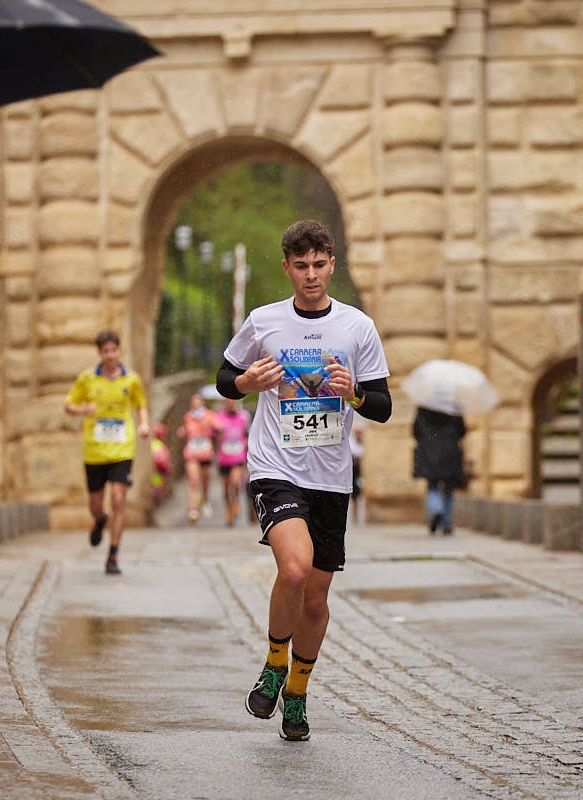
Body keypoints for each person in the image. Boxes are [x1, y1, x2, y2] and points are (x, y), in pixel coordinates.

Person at [216, 219, 391, 741]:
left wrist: (354, 391)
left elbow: (381, 405)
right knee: (292, 570)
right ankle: (274, 662)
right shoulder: (264, 321)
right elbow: (226, 378)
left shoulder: (357, 327)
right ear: (287, 268)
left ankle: (297, 692)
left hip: (331, 479)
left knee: (315, 599)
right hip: (275, 467)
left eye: (319, 265)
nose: (311, 275)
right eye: (301, 266)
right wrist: (248, 382)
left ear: (331, 264)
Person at [65, 330, 150, 575]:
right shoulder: (87, 379)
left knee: (118, 499)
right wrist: (82, 410)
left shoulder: (131, 380)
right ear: (100, 353)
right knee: (95, 504)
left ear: (119, 350)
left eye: (114, 350)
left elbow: (140, 404)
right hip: (94, 450)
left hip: (123, 448)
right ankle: (100, 519)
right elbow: (68, 404)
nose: (110, 355)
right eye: (106, 351)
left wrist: (144, 423)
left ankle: (113, 555)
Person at [412, 407, 466, 536]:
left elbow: (415, 431)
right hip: (450, 450)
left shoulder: (424, 407)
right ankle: (447, 524)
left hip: (429, 451)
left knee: (432, 485)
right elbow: (462, 431)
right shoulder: (453, 407)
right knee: (449, 488)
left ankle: (437, 510)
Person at [177, 392, 220, 524]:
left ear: (202, 403)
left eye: (198, 402)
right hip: (192, 453)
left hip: (206, 453)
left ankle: (205, 499)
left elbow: (219, 427)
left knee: (205, 481)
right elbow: (186, 430)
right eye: (193, 402)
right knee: (194, 481)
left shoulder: (209, 415)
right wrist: (182, 432)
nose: (195, 404)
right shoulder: (188, 417)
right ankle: (193, 509)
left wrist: (212, 429)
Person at [215, 397, 251, 526]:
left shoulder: (243, 417)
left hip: (238, 457)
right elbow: (213, 433)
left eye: (233, 402)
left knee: (235, 482)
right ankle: (228, 510)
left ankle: (235, 502)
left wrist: (246, 443)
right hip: (224, 458)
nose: (231, 404)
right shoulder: (219, 418)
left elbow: (248, 433)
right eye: (228, 402)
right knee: (225, 489)